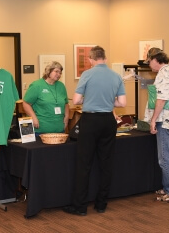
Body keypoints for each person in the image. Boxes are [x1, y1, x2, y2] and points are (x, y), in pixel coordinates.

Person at [63, 46, 126, 216]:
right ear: (104, 58)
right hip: (108, 121)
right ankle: (101, 204)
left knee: (84, 164)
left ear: (91, 59)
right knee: (106, 164)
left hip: (90, 121)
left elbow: (76, 100)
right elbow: (122, 103)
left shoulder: (87, 74)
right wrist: (106, 101)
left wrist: (89, 99)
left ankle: (80, 206)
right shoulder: (116, 76)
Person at [143, 48, 169, 203]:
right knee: (164, 157)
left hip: (165, 121)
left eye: (149, 61)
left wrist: (153, 119)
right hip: (165, 120)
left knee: (166, 158)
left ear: (156, 59)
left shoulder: (166, 73)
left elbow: (162, 99)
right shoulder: (166, 72)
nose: (149, 65)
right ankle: (167, 188)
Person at [23, 61, 69, 135]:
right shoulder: (36, 85)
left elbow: (66, 103)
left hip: (59, 130)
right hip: (40, 130)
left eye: (60, 73)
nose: (59, 74)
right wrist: (33, 118)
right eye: (56, 71)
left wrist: (66, 117)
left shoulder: (61, 86)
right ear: (48, 71)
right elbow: (26, 103)